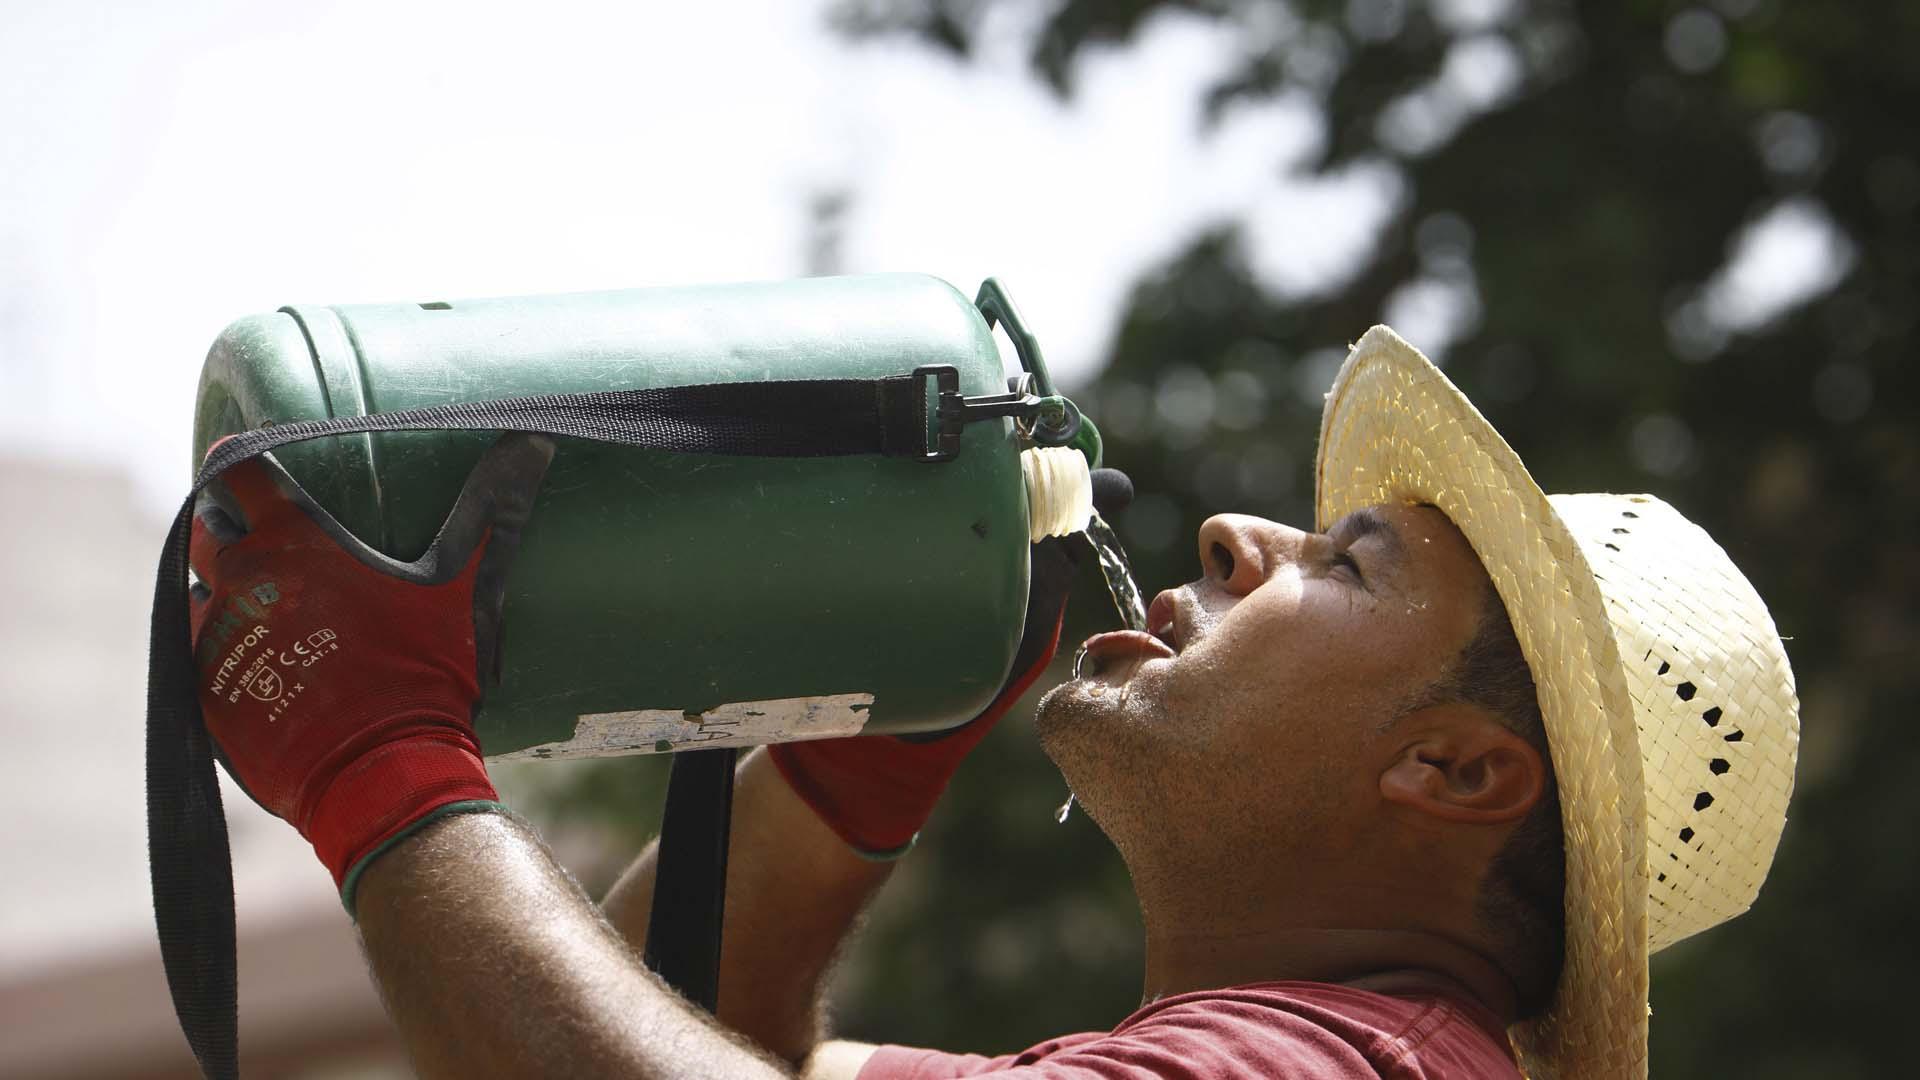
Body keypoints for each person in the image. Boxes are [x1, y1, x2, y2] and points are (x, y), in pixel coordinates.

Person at [188, 326, 1799, 1079]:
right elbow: (680, 1040)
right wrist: (864, 774)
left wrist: (382, 766)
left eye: (1347, 566)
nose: (1242, 535)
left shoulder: (1329, 1070)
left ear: (1454, 767)